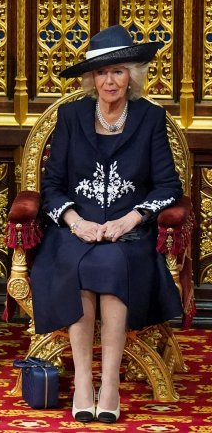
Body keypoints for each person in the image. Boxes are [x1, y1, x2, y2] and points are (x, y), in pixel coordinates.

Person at [30, 24, 184, 424]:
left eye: (117, 71)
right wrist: (75, 220)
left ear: (131, 76)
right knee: (78, 265)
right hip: (75, 229)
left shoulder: (150, 118)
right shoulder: (71, 115)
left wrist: (129, 219)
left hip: (127, 231)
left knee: (112, 265)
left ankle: (110, 382)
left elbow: (169, 185)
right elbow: (52, 185)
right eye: (101, 72)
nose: (109, 80)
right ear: (90, 78)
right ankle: (84, 380)